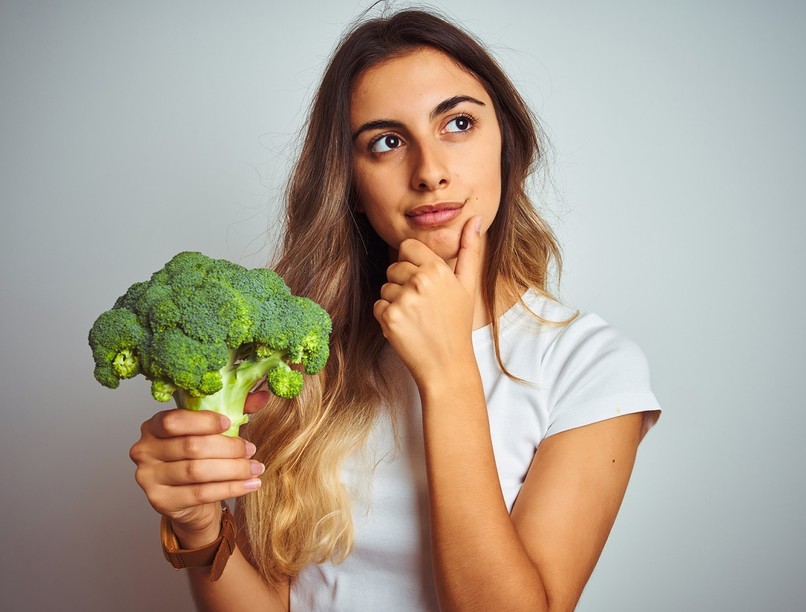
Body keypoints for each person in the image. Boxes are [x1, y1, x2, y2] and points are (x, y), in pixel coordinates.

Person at [130, 8, 661, 611]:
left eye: (458, 123)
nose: (430, 172)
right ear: (350, 182)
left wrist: (449, 370)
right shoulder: (295, 355)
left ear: (507, 143)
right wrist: (201, 528)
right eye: (386, 142)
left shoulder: (591, 366)